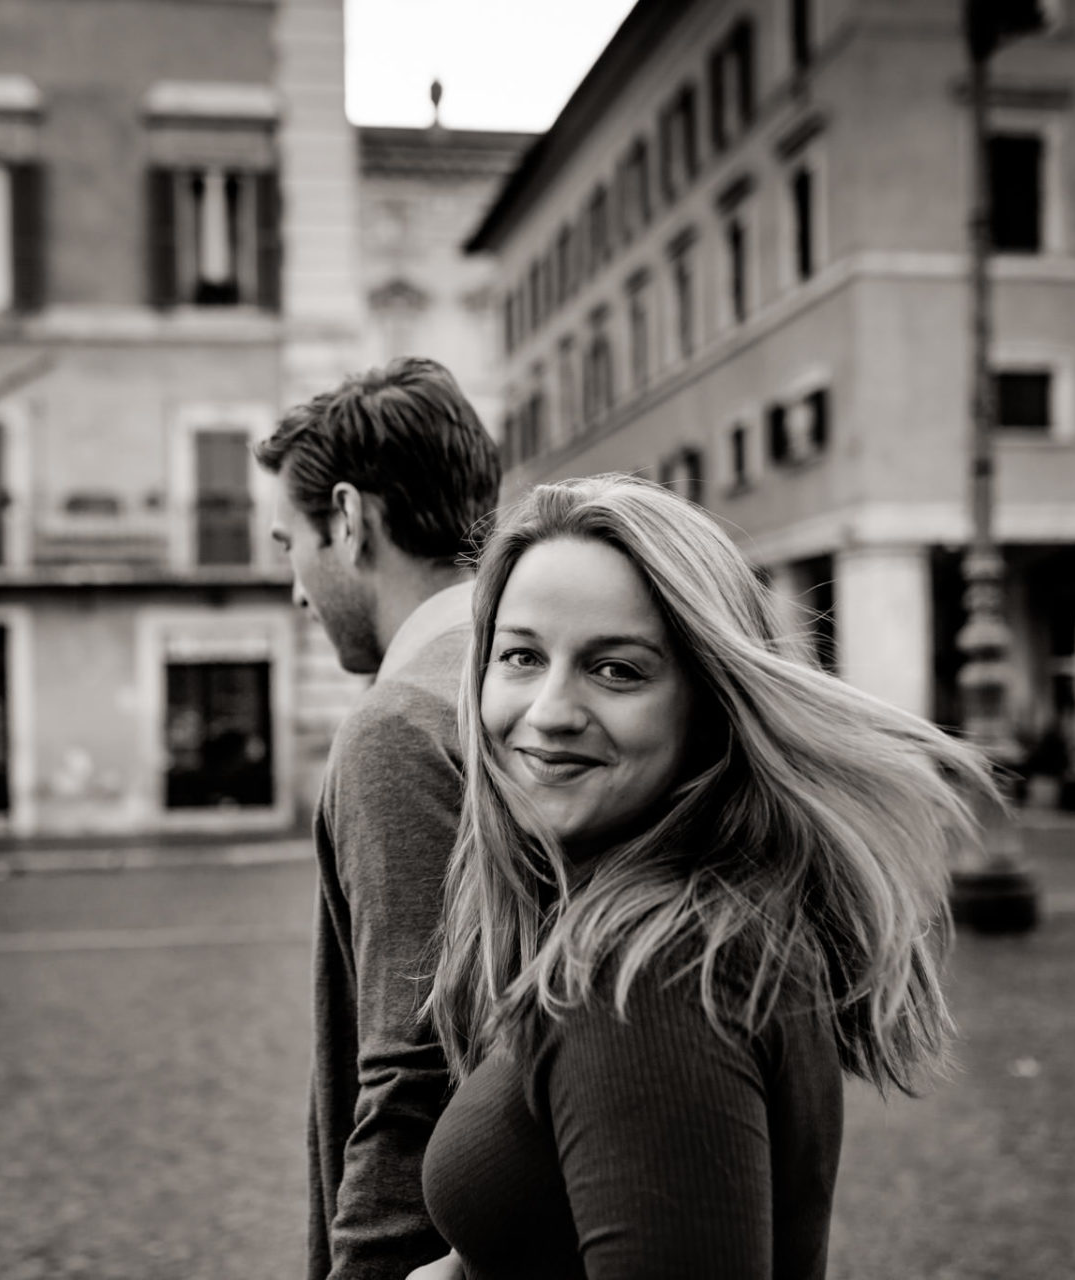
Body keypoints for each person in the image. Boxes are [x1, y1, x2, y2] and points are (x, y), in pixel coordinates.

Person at [418, 474, 992, 1279]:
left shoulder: (647, 981)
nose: (549, 710)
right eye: (520, 656)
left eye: (616, 670)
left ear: (711, 706)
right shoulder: (679, 926)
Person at [253, 358, 501, 1280]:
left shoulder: (400, 725)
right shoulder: (527, 692)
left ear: (351, 521)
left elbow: (412, 1072)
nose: (296, 589)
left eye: (290, 545)